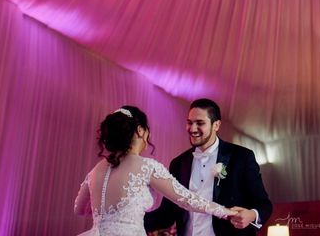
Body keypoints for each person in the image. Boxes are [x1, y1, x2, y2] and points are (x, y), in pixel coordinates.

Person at [74, 106, 236, 236]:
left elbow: (79, 209)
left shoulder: (96, 170)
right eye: (147, 129)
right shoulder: (146, 166)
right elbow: (187, 199)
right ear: (140, 130)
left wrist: (108, 216)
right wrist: (226, 211)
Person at [144, 98, 272, 236]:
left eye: (200, 123)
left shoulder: (241, 157)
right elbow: (166, 213)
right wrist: (131, 218)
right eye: (189, 122)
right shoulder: (178, 163)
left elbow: (264, 204)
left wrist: (251, 215)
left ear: (216, 125)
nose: (192, 129)